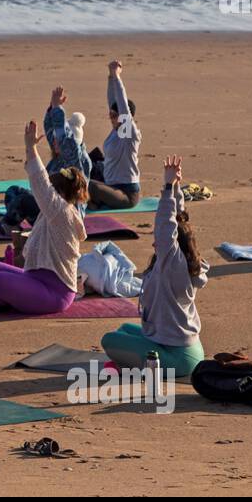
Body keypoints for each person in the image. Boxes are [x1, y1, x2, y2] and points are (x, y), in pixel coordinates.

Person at [101, 156, 207, 378]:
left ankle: (134, 366)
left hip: (179, 357)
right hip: (182, 345)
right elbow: (178, 221)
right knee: (124, 330)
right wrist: (177, 188)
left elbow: (166, 228)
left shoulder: (173, 265)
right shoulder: (183, 262)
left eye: (157, 240)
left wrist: (168, 187)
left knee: (109, 340)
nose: (154, 242)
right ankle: (132, 361)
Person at [0, 120, 87, 315]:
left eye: (53, 190)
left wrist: (30, 147)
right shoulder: (54, 210)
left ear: (59, 192)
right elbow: (41, 184)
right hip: (34, 280)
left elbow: (40, 182)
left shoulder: (62, 212)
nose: (48, 192)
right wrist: (30, 149)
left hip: (56, 293)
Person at [0, 85, 89, 229]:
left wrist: (58, 109)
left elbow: (65, 139)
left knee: (23, 201)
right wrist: (52, 108)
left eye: (60, 141)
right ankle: (22, 220)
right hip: (50, 209)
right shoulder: (59, 155)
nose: (55, 143)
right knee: (13, 191)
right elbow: (51, 129)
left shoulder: (76, 160)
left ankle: (7, 225)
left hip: (65, 217)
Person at [88, 60, 142, 210]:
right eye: (110, 114)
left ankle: (95, 202)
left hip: (126, 194)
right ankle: (96, 201)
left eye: (113, 115)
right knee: (82, 168)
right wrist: (110, 77)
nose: (110, 117)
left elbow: (122, 104)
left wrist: (117, 77)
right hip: (110, 184)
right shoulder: (116, 131)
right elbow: (113, 100)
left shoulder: (128, 134)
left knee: (91, 186)